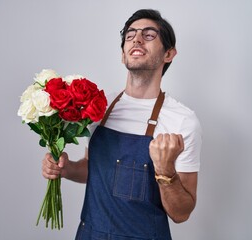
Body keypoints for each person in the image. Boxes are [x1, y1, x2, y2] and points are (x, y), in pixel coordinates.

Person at [42, 9, 202, 240]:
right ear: (123, 53)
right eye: (130, 35)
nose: (136, 39)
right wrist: (66, 169)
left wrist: (166, 172)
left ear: (168, 54)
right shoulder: (100, 107)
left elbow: (181, 213)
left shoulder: (182, 121)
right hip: (89, 234)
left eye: (148, 35)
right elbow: (92, 167)